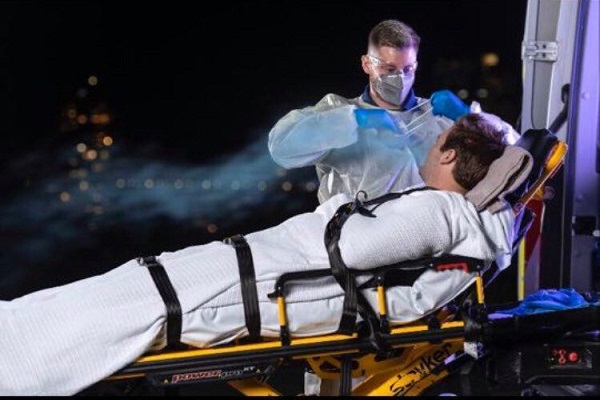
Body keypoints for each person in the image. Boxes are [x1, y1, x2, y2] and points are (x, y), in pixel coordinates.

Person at [0, 114, 527, 395]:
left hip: (258, 285)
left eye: (436, 144)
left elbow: (352, 247)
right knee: (126, 290)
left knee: (125, 307)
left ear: (450, 155)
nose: (428, 149)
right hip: (261, 269)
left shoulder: (438, 210)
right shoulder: (448, 213)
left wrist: (343, 208)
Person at [268, 19, 520, 205]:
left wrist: (470, 118)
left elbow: (517, 156)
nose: (399, 78)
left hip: (431, 245)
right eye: (389, 69)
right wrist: (354, 120)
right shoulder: (339, 111)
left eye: (407, 69)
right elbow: (281, 147)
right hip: (360, 248)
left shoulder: (440, 118)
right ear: (367, 64)